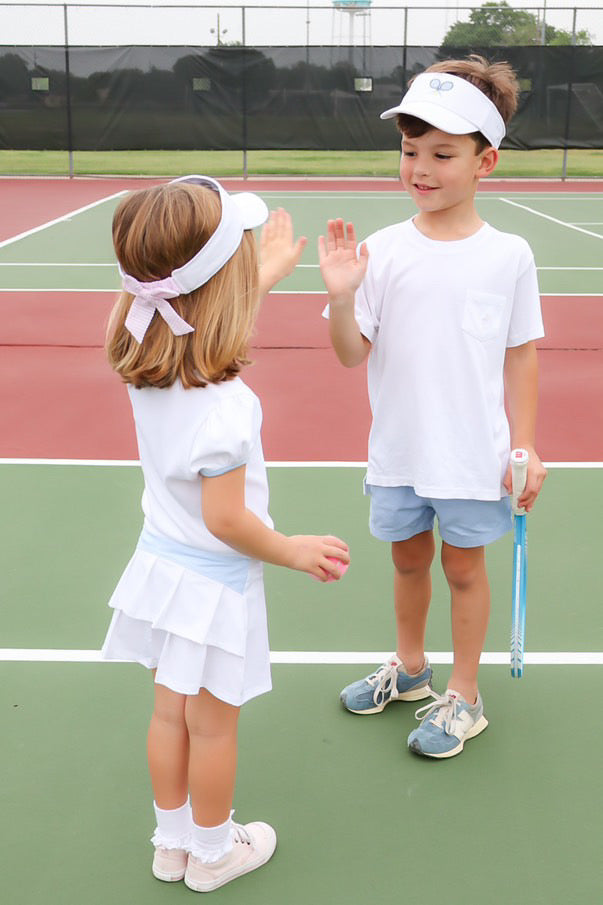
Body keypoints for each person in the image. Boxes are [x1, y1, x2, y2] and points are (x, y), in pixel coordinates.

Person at [101, 175, 349, 891]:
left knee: (169, 714)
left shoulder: (137, 344)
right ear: (219, 285)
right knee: (212, 725)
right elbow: (228, 519)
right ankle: (214, 853)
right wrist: (292, 549)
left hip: (157, 568)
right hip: (215, 582)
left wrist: (257, 279)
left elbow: (200, 327)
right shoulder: (229, 406)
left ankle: (171, 841)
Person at [318, 57, 546, 758]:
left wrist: (526, 446)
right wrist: (340, 294)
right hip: (398, 453)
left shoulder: (508, 255)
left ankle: (465, 694)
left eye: (441, 153)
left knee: (462, 569)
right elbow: (351, 353)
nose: (419, 167)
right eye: (408, 150)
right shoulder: (380, 252)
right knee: (409, 562)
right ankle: (410, 669)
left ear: (486, 161)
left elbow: (520, 353)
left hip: (473, 455)